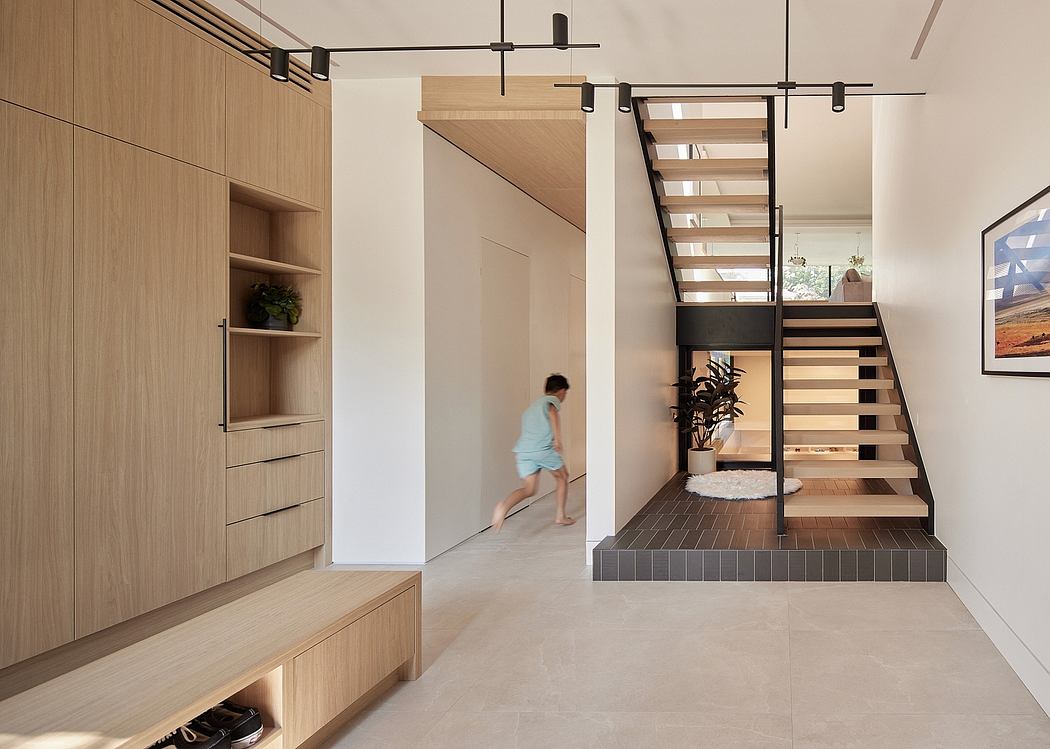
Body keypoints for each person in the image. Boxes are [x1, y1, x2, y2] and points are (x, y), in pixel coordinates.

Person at [491, 373, 574, 531]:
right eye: (565, 393)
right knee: (563, 476)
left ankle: (503, 506)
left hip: (523, 452)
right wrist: (557, 439)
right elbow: (552, 412)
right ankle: (560, 516)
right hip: (541, 449)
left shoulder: (531, 408)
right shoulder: (551, 401)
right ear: (561, 391)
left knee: (529, 489)